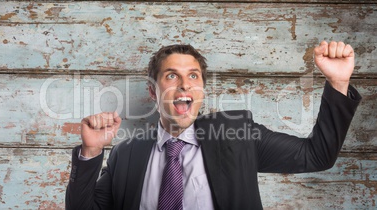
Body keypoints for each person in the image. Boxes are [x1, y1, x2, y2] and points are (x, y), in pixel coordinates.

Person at [65, 41, 361, 210]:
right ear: (153, 91)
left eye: (194, 76)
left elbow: (316, 155)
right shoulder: (125, 154)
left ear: (202, 89)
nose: (184, 85)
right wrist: (91, 152)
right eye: (171, 76)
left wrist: (337, 83)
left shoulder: (238, 134)